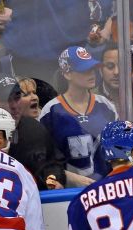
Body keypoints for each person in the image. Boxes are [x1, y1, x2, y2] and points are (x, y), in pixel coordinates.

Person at [40, 45, 118, 181]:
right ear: (67, 73)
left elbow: (119, 149)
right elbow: (45, 160)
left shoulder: (106, 106)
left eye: (93, 69)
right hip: (68, 193)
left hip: (107, 188)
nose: (92, 74)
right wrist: (73, 179)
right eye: (85, 70)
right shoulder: (51, 112)